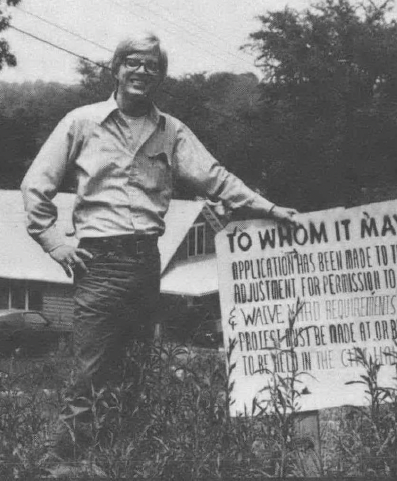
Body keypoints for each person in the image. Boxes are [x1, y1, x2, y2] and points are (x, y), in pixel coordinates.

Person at [21, 32, 297, 453]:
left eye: (152, 65)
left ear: (160, 76)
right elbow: (35, 185)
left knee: (134, 367)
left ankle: (121, 460)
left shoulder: (171, 131)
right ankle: (63, 463)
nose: (142, 71)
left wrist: (269, 209)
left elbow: (215, 177)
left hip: (146, 261)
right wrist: (55, 243)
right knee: (91, 370)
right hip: (98, 262)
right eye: (133, 62)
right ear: (115, 68)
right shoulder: (82, 122)